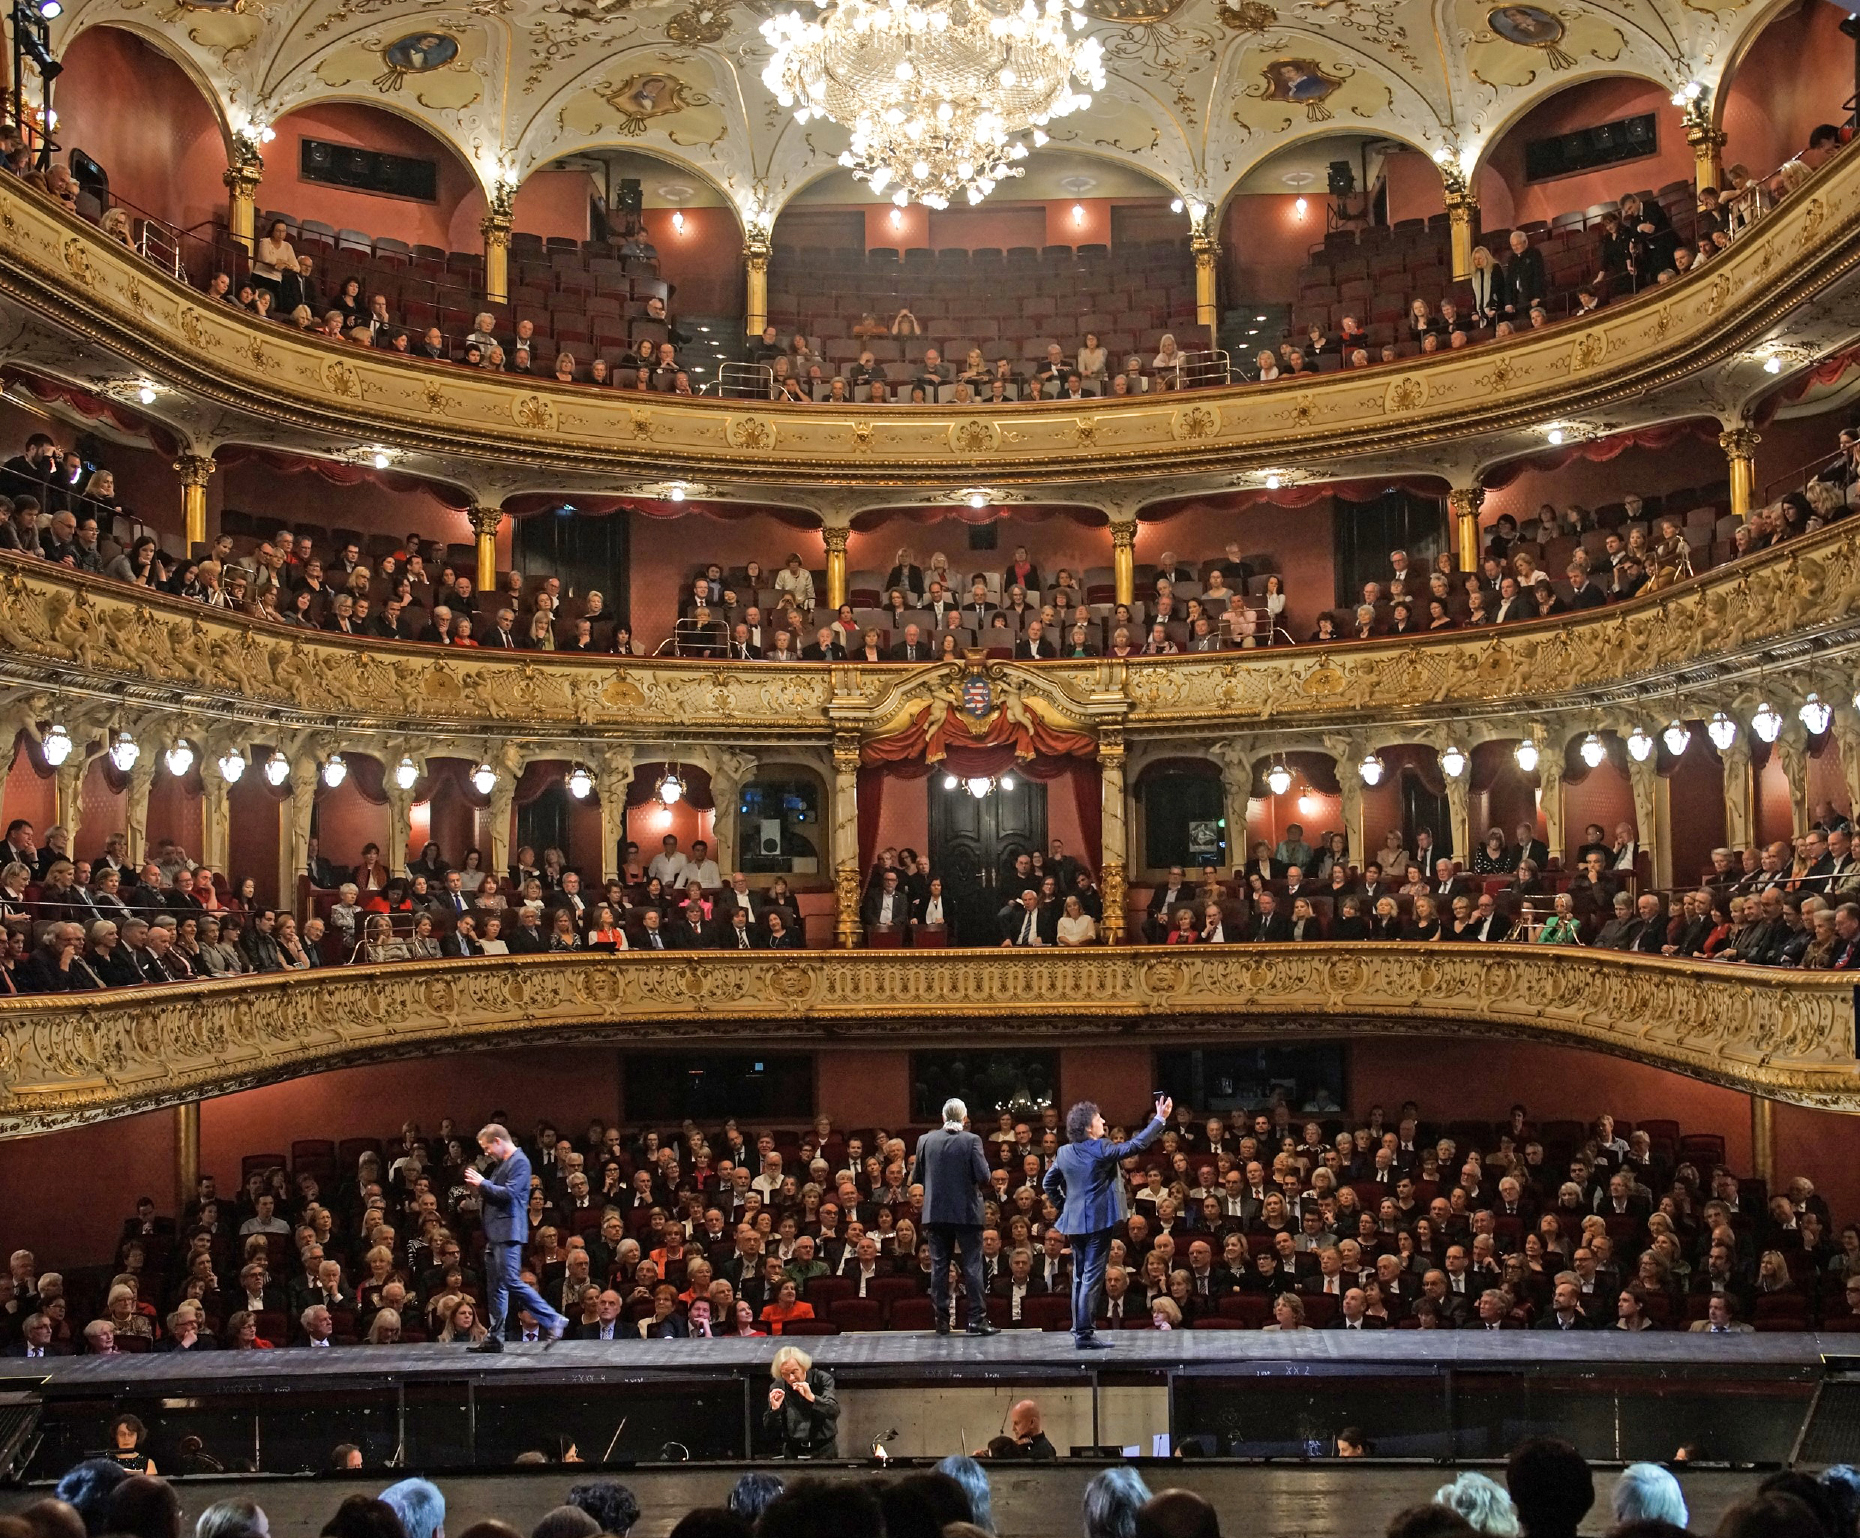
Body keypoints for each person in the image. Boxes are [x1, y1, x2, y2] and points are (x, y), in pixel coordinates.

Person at [1045, 1094, 1171, 1349]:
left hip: (1074, 1223)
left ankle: (1078, 1327)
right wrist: (1159, 1120)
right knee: (1090, 1276)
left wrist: (1066, 1207)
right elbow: (1133, 1146)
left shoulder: (1064, 1151)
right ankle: (1084, 1333)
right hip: (1097, 1221)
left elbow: (1049, 1183)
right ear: (1088, 1127)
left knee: (1079, 1276)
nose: (1103, 1120)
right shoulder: (1101, 1147)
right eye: (1098, 1118)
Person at [464, 1122, 565, 1350]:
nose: (486, 1152)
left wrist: (482, 1183)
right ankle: (496, 1337)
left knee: (511, 1281)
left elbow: (510, 1194)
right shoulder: (503, 1163)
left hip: (508, 1232)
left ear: (497, 1141)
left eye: (487, 1146)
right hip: (496, 1234)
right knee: (496, 1288)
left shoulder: (520, 1162)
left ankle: (553, 1320)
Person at [908, 1097, 999, 1336]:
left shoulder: (925, 1140)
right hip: (967, 1212)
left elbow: (917, 1176)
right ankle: (977, 1320)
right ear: (965, 1118)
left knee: (939, 1267)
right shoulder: (972, 1140)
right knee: (971, 1266)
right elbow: (984, 1176)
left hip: (935, 1212)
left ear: (942, 1117)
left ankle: (941, 1322)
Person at [763, 1345, 840, 1458]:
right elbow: (769, 1427)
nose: (791, 1378)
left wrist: (812, 1398)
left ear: (803, 1367)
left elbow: (834, 1411)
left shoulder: (822, 1379)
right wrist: (775, 1410)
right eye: (785, 1374)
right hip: (793, 1450)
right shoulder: (778, 1386)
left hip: (823, 1450)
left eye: (794, 1372)